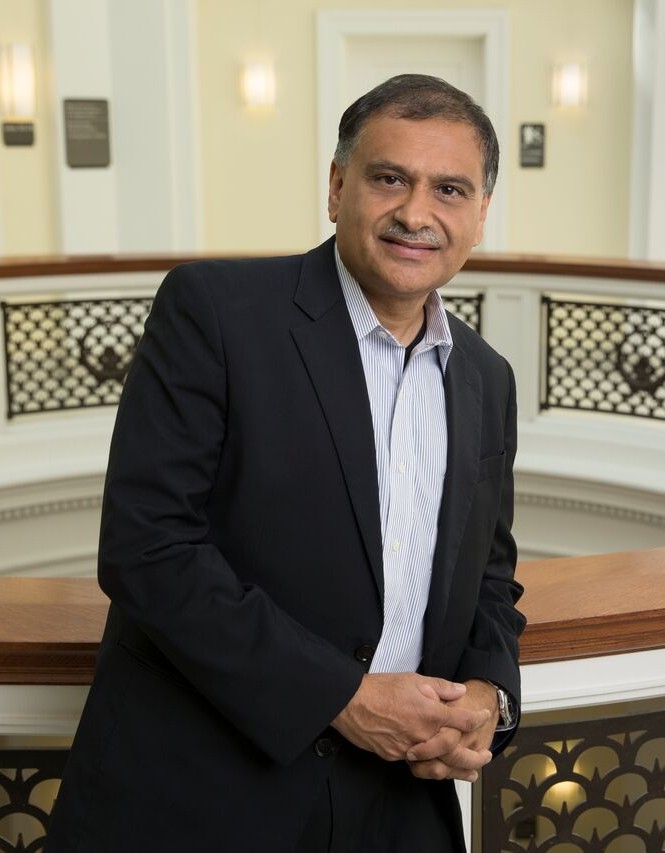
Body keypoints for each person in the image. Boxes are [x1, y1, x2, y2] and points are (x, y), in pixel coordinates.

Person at [46, 74, 525, 853]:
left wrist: (488, 693)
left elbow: (490, 579)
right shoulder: (215, 311)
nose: (415, 212)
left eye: (448, 189)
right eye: (388, 178)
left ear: (478, 216)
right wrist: (340, 696)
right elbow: (148, 546)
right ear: (337, 188)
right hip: (205, 802)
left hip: (400, 810)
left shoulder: (486, 377)